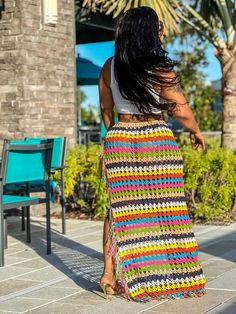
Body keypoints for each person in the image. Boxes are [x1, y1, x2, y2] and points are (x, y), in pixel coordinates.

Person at [98, 6, 207, 303]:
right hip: (155, 138)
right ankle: (169, 272)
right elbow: (181, 110)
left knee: (119, 208)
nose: (162, 32)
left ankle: (109, 274)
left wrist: (116, 137)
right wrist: (196, 131)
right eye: (159, 28)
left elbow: (106, 111)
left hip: (120, 137)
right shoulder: (159, 69)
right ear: (149, 32)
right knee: (165, 207)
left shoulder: (108, 67)